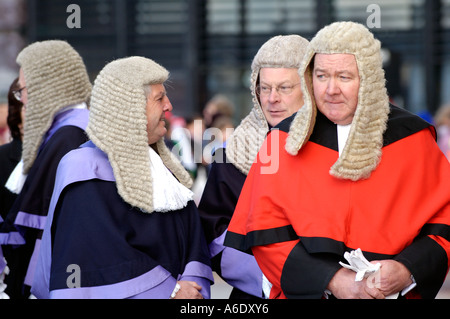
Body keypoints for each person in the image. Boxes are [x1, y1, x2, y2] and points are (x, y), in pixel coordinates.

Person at [224, 21, 450, 299]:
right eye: (321, 76)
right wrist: (332, 280)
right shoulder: (283, 139)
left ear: (368, 80)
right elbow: (265, 231)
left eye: (343, 77)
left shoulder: (412, 138)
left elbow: (444, 222)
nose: (330, 89)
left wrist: (407, 269)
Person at [31, 56, 213, 299]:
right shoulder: (83, 168)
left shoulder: (162, 167)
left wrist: (194, 284)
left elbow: (192, 237)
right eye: (160, 98)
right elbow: (98, 254)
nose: (169, 106)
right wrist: (170, 291)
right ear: (131, 107)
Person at [198, 35, 309, 298]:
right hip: (258, 293)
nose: (272, 98)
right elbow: (212, 235)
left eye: (284, 88)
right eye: (265, 88)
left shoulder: (339, 148)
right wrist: (270, 280)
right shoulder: (232, 155)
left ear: (308, 88)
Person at [0, 40, 91, 299]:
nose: (23, 100)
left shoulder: (67, 137)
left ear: (46, 89)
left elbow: (45, 233)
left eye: (24, 90)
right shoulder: (71, 131)